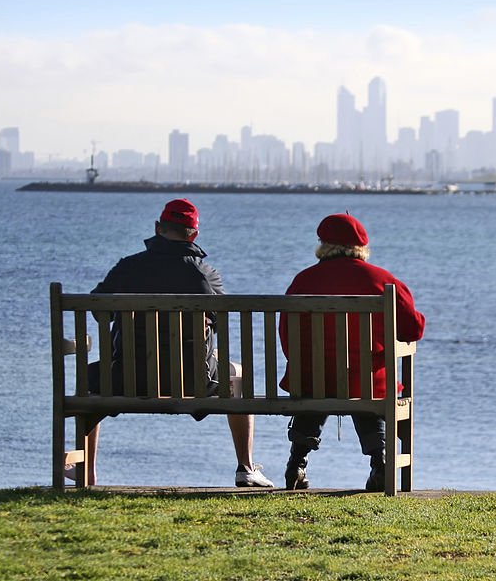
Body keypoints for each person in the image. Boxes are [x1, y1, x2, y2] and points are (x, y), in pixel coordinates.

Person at [73, 198, 273, 488]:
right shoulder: (204, 275)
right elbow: (220, 318)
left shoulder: (127, 268)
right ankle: (245, 467)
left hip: (126, 379)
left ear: (157, 228)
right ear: (193, 235)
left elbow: (98, 309)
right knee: (238, 373)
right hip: (194, 381)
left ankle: (85, 472)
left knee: (89, 379)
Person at [279, 213, 425, 492]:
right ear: (362, 246)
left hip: (311, 381)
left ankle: (297, 463)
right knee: (363, 382)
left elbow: (287, 336)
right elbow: (413, 330)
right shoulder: (383, 281)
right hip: (367, 383)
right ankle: (380, 463)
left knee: (320, 380)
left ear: (323, 244)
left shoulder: (303, 281)